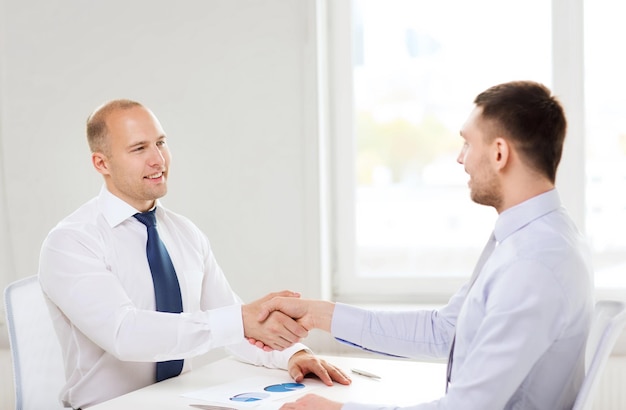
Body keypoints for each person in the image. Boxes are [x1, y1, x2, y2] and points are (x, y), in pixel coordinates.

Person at [257, 80, 594, 409]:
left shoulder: (532, 265)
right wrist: (319, 314)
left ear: (499, 153)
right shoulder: (536, 238)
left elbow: (467, 407)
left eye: (467, 143)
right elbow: (445, 329)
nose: (461, 159)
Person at [38, 99, 351, 409]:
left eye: (160, 142)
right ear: (101, 163)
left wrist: (294, 354)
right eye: (139, 149)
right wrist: (240, 320)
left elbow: (232, 321)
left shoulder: (184, 233)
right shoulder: (72, 241)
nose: (158, 159)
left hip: (177, 399)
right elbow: (125, 334)